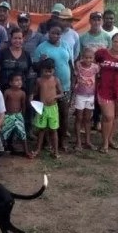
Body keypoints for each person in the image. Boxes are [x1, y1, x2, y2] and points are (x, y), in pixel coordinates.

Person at [33, 22, 73, 152]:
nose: (55, 35)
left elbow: (70, 63)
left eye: (58, 33)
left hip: (64, 86)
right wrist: (41, 61)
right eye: (52, 33)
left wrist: (73, 79)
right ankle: (44, 143)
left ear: (61, 34)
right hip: (46, 89)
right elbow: (35, 66)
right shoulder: (41, 47)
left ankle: (62, 141)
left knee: (63, 114)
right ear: (48, 33)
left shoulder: (65, 45)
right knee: (44, 115)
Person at [30, 58, 62, 159]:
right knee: (41, 130)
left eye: (50, 71)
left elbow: (61, 93)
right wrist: (31, 97)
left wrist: (55, 97)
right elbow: (35, 92)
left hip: (53, 108)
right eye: (45, 71)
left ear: (54, 70)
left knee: (53, 130)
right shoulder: (39, 80)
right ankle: (38, 149)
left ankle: (55, 151)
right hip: (42, 108)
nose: (48, 73)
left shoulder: (56, 80)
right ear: (41, 70)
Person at [18, 12, 42, 132]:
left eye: (25, 21)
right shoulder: (15, 36)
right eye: (21, 21)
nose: (23, 24)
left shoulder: (37, 37)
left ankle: (29, 129)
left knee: (30, 102)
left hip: (32, 75)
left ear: (30, 22)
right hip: (17, 76)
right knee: (18, 102)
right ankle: (18, 127)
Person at [73, 47, 100, 151]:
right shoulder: (78, 65)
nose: (88, 60)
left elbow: (97, 78)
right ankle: (78, 141)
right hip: (80, 95)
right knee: (79, 118)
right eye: (86, 57)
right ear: (82, 57)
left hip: (91, 96)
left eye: (90, 58)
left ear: (93, 58)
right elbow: (75, 77)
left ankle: (88, 141)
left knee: (88, 119)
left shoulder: (95, 67)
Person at [0, 27, 32, 91]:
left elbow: (28, 71)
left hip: (21, 89)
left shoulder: (27, 54)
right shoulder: (3, 52)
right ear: (11, 38)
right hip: (4, 87)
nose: (17, 41)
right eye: (15, 38)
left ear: (23, 39)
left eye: (20, 38)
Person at [2, 73, 29, 156]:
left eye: (20, 80)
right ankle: (1, 149)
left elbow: (23, 105)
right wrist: (2, 115)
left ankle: (26, 151)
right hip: (8, 115)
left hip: (18, 115)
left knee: (22, 133)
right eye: (16, 80)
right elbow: (2, 104)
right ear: (10, 83)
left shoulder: (22, 93)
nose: (19, 82)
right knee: (4, 133)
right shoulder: (7, 92)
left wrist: (22, 116)